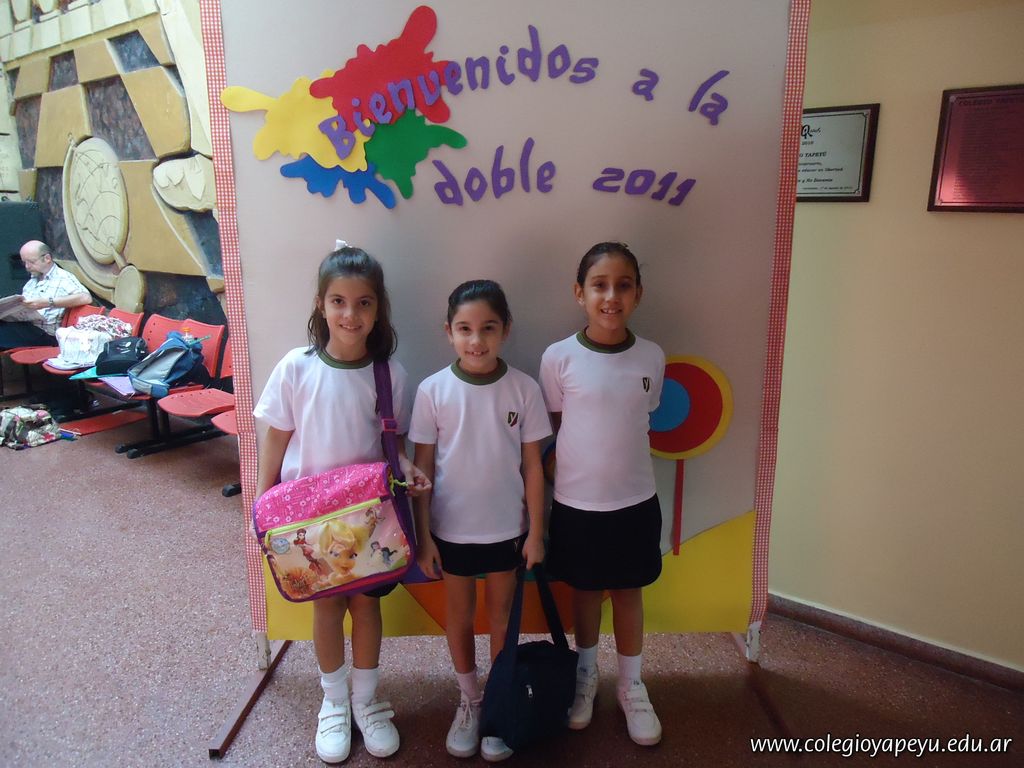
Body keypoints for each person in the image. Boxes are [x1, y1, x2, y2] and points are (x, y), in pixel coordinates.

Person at [253, 244, 430, 764]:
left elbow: (391, 445)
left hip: (367, 520)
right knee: (327, 607)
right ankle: (333, 702)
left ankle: (366, 700)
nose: (350, 314)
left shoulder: (389, 375)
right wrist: (261, 506)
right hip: (307, 522)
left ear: (378, 309)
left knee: (367, 606)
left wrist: (407, 467)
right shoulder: (296, 367)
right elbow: (275, 439)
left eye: (363, 303)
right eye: (339, 302)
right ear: (321, 304)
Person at [409, 280, 550, 762]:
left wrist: (536, 532)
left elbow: (534, 467)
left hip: (507, 532)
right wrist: (424, 537)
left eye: (488, 328)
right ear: (448, 332)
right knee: (460, 616)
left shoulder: (524, 388)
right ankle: (470, 698)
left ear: (505, 330)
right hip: (450, 532)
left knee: (502, 617)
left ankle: (498, 703)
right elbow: (422, 470)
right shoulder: (432, 391)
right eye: (465, 329)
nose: (476, 340)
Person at [538, 242, 666, 747]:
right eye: (599, 285)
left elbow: (643, 413)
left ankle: (632, 685)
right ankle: (585, 675)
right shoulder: (558, 357)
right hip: (576, 503)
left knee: (629, 592)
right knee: (586, 592)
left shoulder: (652, 356)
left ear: (638, 294)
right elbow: (557, 423)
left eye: (623, 285)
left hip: (635, 501)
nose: (611, 296)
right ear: (580, 293)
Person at [0, 240, 91, 349]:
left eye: (31, 262)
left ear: (47, 258)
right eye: (24, 262)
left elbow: (86, 297)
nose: (27, 267)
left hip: (46, 334)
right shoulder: (32, 281)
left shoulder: (63, 278)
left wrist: (48, 302)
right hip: (27, 327)